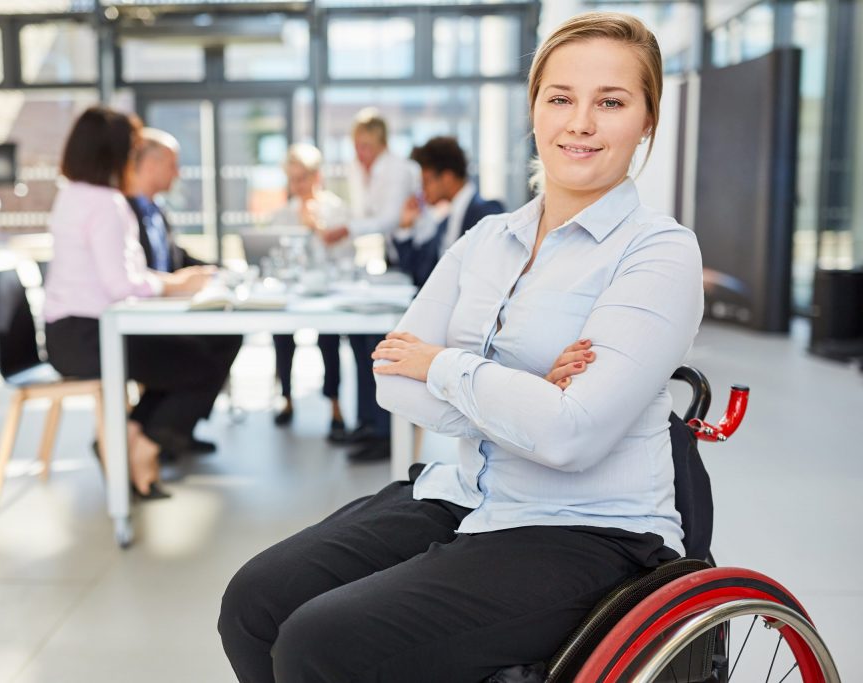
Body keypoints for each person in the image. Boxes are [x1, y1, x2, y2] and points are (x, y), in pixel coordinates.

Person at [218, 12, 704, 682]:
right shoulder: (487, 238)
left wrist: (447, 365)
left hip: (586, 528)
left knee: (318, 642)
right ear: (534, 109)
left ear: (646, 119)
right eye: (560, 97)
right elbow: (393, 376)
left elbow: (571, 438)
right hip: (462, 491)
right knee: (254, 601)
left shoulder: (659, 252)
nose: (580, 122)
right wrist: (526, 389)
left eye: (611, 102)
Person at [42, 106, 217, 498]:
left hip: (68, 334)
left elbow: (126, 275)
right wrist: (174, 286)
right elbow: (121, 285)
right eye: (132, 148)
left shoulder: (73, 195)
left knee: (185, 359)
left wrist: (171, 282)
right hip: (92, 337)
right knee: (200, 364)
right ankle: (143, 445)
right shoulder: (106, 203)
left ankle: (132, 433)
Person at [126, 127, 243, 456]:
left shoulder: (155, 210)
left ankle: (178, 426)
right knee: (199, 364)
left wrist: (218, 268)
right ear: (150, 164)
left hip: (164, 318)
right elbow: (136, 275)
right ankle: (157, 435)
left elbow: (176, 256)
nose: (178, 173)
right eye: (172, 164)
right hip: (137, 327)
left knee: (229, 336)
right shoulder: (124, 213)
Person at [319, 108, 417, 463]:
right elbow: (364, 213)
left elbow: (389, 219)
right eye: (357, 146)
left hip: (413, 256)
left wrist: (347, 230)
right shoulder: (364, 169)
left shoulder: (395, 169)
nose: (360, 152)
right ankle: (368, 421)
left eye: (366, 145)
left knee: (379, 341)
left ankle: (383, 429)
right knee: (361, 338)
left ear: (380, 143)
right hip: (392, 255)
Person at [269, 143, 349, 440]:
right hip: (293, 292)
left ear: (316, 176)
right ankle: (286, 399)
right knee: (281, 333)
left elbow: (345, 257)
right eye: (292, 179)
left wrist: (315, 226)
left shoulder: (336, 209)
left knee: (328, 339)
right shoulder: (282, 214)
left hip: (326, 290)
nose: (297, 185)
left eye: (302, 177)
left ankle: (335, 406)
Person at [394, 136, 506, 288]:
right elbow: (419, 274)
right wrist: (406, 227)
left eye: (426, 182)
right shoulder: (445, 223)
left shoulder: (488, 213)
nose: (422, 190)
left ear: (447, 178)